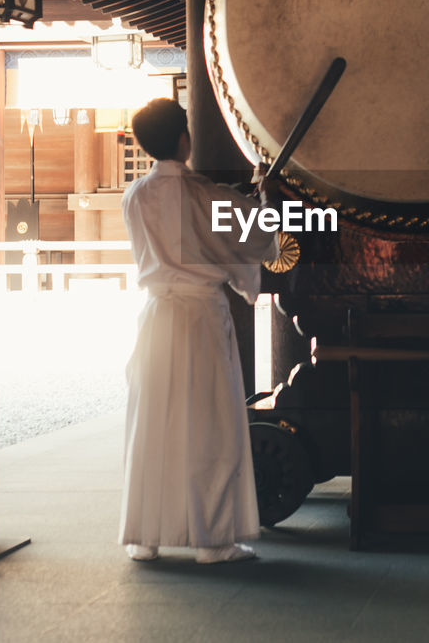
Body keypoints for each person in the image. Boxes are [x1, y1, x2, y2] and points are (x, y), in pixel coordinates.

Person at [118, 98, 278, 563]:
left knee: (152, 425)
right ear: (183, 139)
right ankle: (211, 540)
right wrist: (266, 196)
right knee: (209, 426)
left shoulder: (135, 196)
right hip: (200, 320)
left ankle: (142, 537)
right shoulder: (204, 195)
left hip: (156, 318)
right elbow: (262, 238)